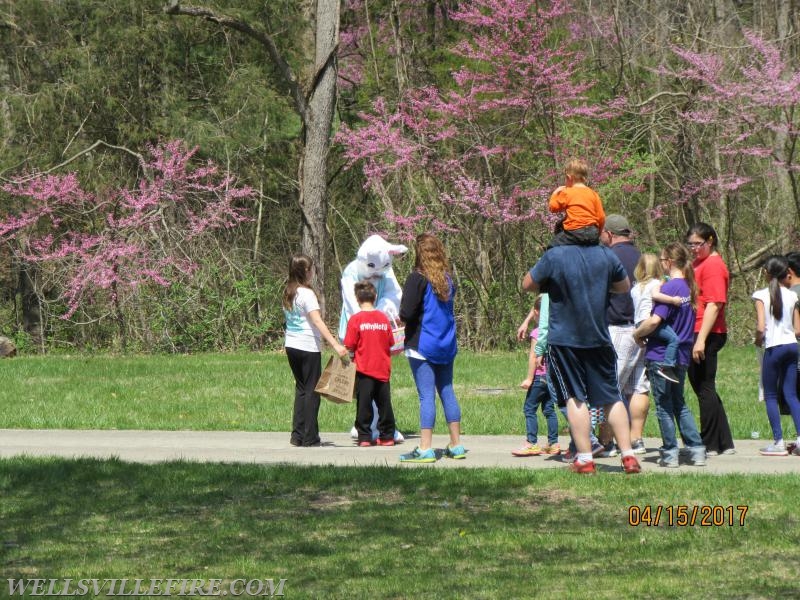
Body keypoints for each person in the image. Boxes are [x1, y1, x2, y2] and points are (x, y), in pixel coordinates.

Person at [523, 241, 641, 474]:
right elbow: (624, 286)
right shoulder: (606, 255)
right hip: (599, 337)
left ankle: (585, 460)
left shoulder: (555, 255)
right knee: (611, 397)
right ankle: (628, 456)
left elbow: (527, 283)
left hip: (566, 339)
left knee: (574, 397)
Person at [633, 243, 706, 468]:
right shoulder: (689, 287)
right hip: (682, 354)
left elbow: (655, 321)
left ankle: (670, 452)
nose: (661, 263)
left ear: (670, 262)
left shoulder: (670, 288)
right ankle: (696, 450)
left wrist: (637, 334)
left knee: (664, 405)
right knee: (679, 403)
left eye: (663, 259)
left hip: (661, 355)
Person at [398, 233, 465, 463]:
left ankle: (425, 448)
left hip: (423, 345)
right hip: (446, 344)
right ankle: (456, 445)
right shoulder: (447, 279)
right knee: (447, 391)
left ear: (418, 254)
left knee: (426, 396)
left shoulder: (417, 279)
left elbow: (406, 313)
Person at [339, 234, 408, 443]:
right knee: (366, 389)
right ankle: (369, 428)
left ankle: (374, 429)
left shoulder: (385, 270)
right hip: (361, 331)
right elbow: (352, 302)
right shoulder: (352, 271)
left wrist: (382, 312)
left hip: (376, 334)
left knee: (375, 390)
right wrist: (371, 319)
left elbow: (394, 294)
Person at [283, 254, 348, 447]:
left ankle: (297, 435)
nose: (314, 272)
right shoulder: (307, 294)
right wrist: (336, 345)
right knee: (312, 391)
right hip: (307, 346)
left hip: (291, 345)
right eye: (312, 268)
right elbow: (317, 321)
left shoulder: (288, 291)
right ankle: (310, 437)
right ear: (306, 271)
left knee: (301, 389)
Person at [600, 214, 649, 456]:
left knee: (609, 387)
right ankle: (635, 439)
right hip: (643, 329)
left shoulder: (608, 257)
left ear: (609, 234)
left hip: (618, 327)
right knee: (638, 386)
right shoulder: (642, 256)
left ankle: (607, 442)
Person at [686, 223, 735, 456]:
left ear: (711, 240)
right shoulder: (699, 263)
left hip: (707, 331)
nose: (694, 248)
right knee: (704, 388)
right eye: (691, 244)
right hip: (697, 330)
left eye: (699, 244)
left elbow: (715, 304)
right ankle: (724, 442)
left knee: (704, 386)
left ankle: (709, 444)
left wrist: (701, 340)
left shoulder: (714, 265)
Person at [752, 255, 800, 456]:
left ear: (767, 273)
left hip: (774, 347)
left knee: (771, 395)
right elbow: (798, 329)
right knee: (791, 394)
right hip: (792, 346)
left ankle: (778, 442)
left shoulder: (760, 295)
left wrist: (757, 340)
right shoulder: (792, 295)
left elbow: (761, 326)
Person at [343, 281, 397, 447]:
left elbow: (349, 344)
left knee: (364, 406)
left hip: (364, 370)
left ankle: (365, 437)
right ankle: (387, 435)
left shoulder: (355, 320)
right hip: (382, 369)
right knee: (385, 405)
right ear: (375, 297)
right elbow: (391, 342)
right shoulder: (383, 318)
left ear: (357, 299)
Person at [512, 295, 560, 456]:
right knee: (549, 410)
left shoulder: (537, 333)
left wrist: (529, 378)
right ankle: (553, 443)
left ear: (538, 312)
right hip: (551, 377)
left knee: (529, 409)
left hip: (539, 377)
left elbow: (534, 356)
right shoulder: (554, 331)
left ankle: (531, 442)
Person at [632, 253, 692, 384]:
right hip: (649, 321)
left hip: (638, 323)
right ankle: (667, 367)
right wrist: (672, 299)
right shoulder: (656, 283)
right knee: (674, 339)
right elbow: (655, 295)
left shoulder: (635, 287)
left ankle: (650, 368)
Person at [548, 158, 605, 247]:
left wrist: (555, 193)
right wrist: (598, 233)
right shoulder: (594, 194)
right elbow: (601, 217)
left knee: (552, 246)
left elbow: (553, 208)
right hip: (592, 232)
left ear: (568, 177)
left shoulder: (567, 192)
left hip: (574, 233)